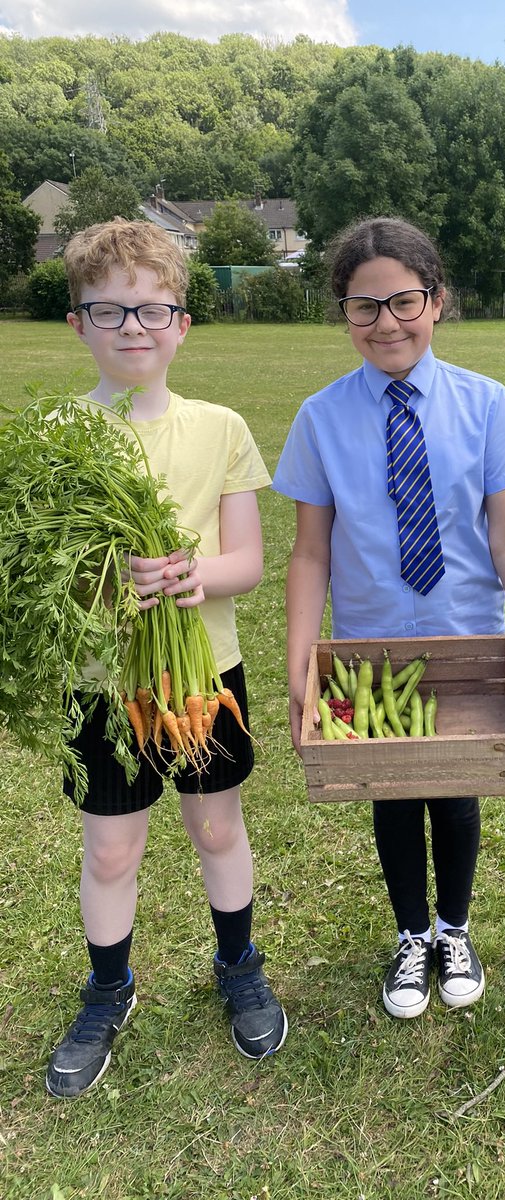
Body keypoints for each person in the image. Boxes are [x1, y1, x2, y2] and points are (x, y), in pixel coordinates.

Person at [273, 216, 505, 1019]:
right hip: (372, 645)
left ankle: (454, 928)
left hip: (468, 640)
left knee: (458, 792)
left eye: (404, 301)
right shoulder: (320, 418)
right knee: (389, 793)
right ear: (344, 316)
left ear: (438, 302)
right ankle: (409, 935)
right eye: (365, 308)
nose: (386, 323)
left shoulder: (487, 404)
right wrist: (299, 674)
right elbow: (310, 557)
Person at [45, 218, 286, 1099]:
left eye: (153, 311)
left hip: (201, 676)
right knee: (111, 850)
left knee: (217, 826)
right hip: (105, 684)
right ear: (78, 325)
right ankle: (109, 987)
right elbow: (51, 577)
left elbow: (249, 564)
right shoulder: (62, 438)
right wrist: (107, 585)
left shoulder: (219, 427)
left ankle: (240, 964)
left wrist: (191, 574)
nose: (134, 329)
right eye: (110, 313)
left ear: (184, 322)